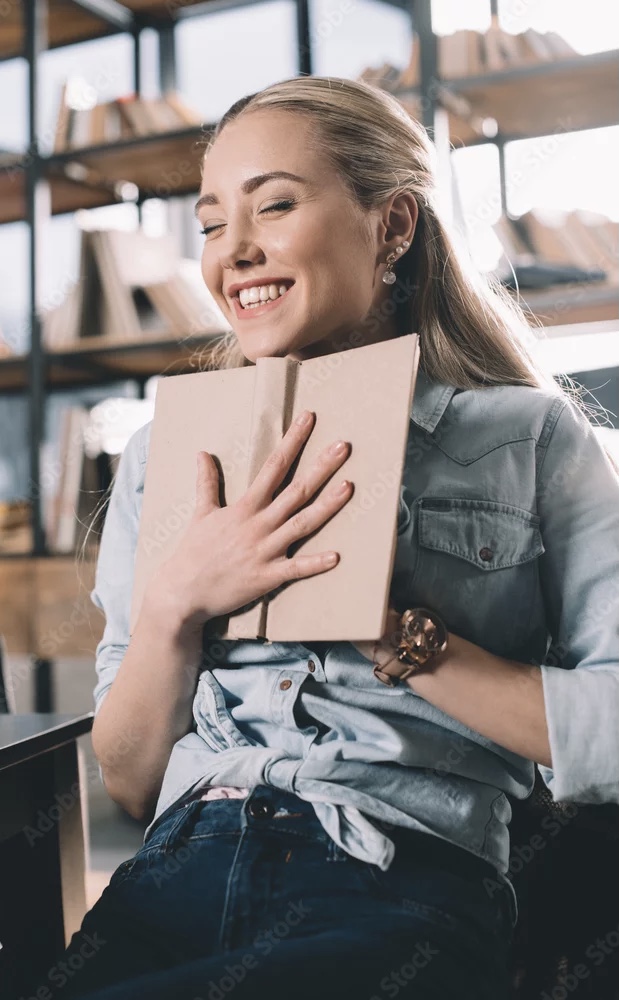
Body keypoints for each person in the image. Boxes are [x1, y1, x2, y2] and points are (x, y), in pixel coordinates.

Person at [21, 76, 619, 1000]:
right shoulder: (160, 455)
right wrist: (178, 603)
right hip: (172, 878)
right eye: (213, 223)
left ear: (393, 227)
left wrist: (405, 643)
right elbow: (133, 780)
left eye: (275, 205)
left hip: (398, 879)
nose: (234, 252)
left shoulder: (527, 438)